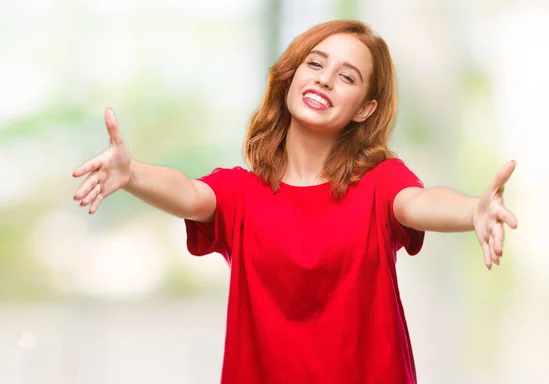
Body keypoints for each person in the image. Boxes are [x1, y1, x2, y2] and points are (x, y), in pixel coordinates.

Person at [72, 20, 517, 384]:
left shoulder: (380, 183)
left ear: (364, 108)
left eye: (347, 76)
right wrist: (130, 174)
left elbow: (418, 203)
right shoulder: (242, 193)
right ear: (291, 75)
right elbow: (188, 192)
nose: (325, 77)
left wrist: (471, 210)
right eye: (315, 63)